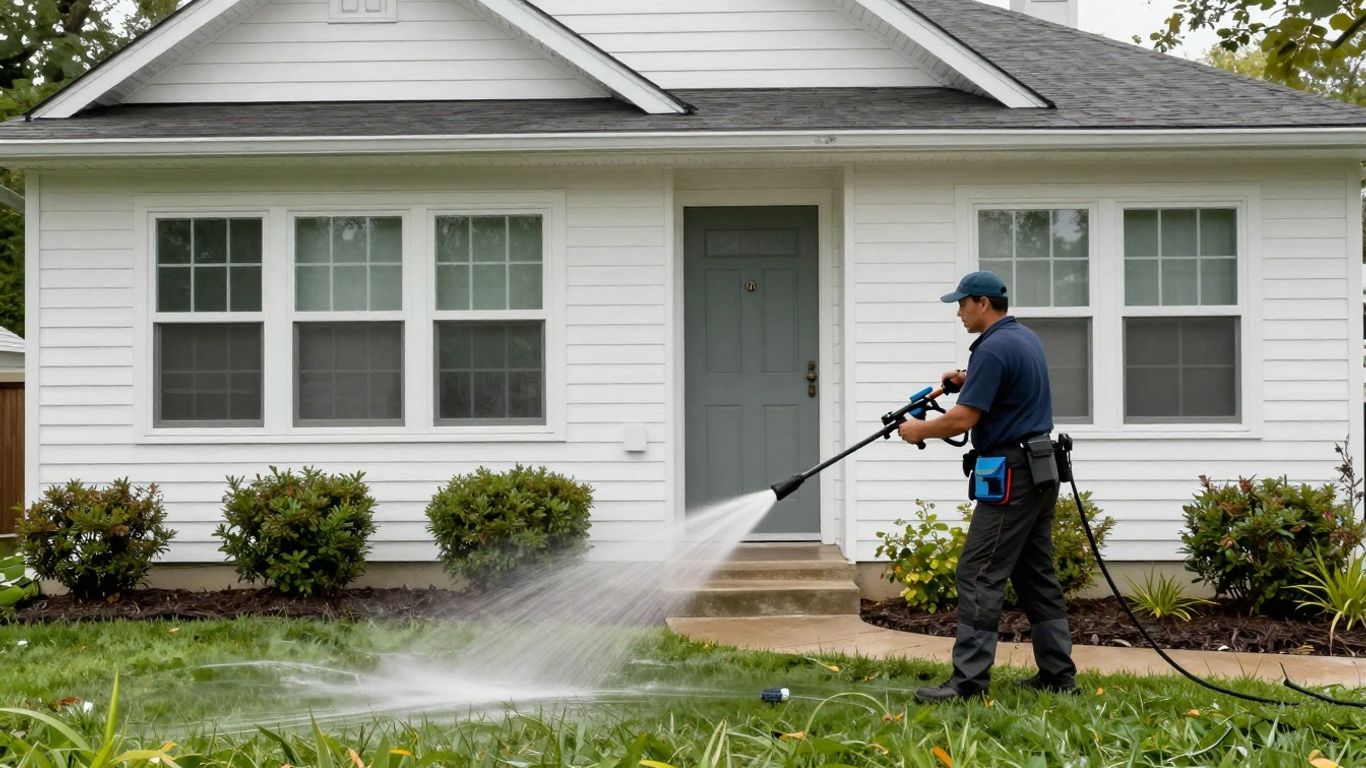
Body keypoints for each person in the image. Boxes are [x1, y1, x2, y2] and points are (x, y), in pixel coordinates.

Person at [895, 270, 1078, 704]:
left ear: (981, 303)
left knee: (977, 573)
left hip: (1014, 473)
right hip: (1040, 466)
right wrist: (966, 379)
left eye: (961, 304)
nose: (958, 312)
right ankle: (1058, 675)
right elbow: (1007, 388)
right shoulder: (1022, 338)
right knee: (1035, 575)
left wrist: (919, 429)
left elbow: (962, 420)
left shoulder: (993, 349)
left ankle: (967, 683)